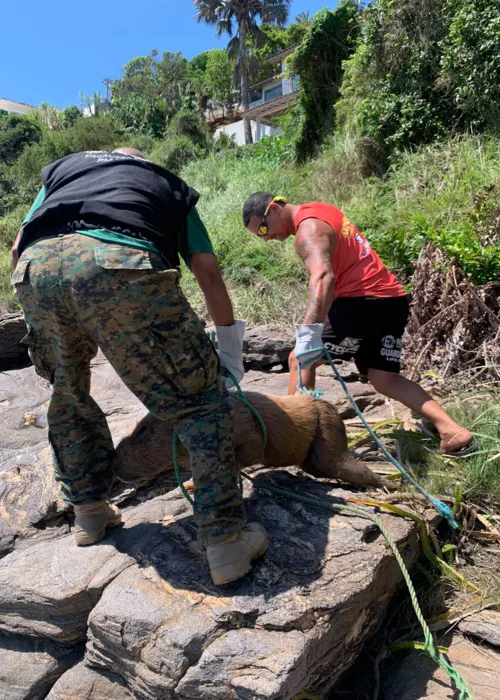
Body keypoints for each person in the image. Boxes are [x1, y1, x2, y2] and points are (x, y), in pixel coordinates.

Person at [10, 148, 268, 586]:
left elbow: (18, 245)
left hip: (36, 270)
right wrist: (228, 351)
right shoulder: (163, 182)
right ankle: (226, 543)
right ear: (141, 162)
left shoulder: (63, 171)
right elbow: (206, 271)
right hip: (119, 261)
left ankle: (89, 514)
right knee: (200, 404)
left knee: (68, 394)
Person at [242, 193, 474, 456]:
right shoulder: (321, 208)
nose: (266, 237)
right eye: (259, 236)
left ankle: (297, 446)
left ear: (273, 209)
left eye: (263, 229)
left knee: (300, 358)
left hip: (361, 302)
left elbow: (323, 277)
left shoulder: (307, 230)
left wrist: (309, 333)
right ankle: (452, 431)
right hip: (391, 300)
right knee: (385, 379)